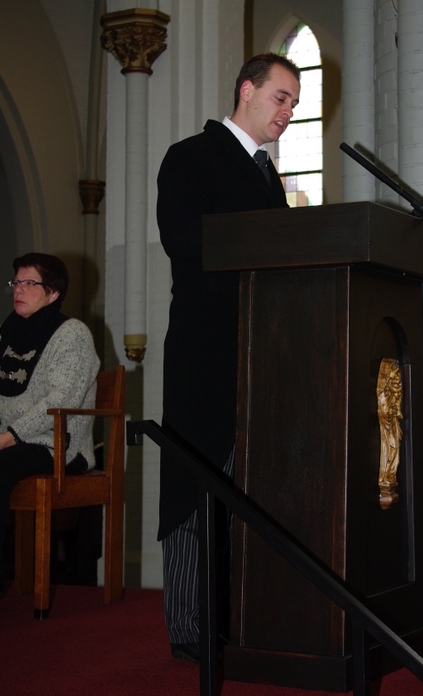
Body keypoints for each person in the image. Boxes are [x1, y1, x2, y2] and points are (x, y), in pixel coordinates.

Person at [157, 52, 301, 662]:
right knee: (197, 486)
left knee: (252, 490)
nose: (288, 113)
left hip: (261, 350)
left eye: (294, 104)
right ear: (247, 90)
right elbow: (182, 239)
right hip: (205, 350)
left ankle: (242, 618)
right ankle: (192, 627)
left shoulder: (267, 175)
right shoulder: (191, 156)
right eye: (281, 98)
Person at [0, 253, 100, 598]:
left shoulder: (72, 334)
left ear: (53, 293)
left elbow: (59, 401)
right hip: (10, 440)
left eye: (30, 283)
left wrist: (7, 437)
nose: (19, 290)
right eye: (16, 282)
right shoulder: (6, 333)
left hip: (57, 443)